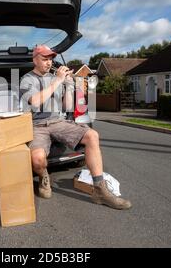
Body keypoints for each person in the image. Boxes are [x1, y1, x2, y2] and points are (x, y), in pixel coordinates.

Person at [20, 44, 131, 210]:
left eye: (51, 59)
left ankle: (100, 190)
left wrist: (69, 85)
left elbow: (68, 106)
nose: (49, 62)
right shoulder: (27, 79)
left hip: (58, 122)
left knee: (92, 135)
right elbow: (35, 102)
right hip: (37, 126)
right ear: (34, 59)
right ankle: (44, 177)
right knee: (37, 159)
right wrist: (58, 80)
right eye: (45, 59)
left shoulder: (55, 78)